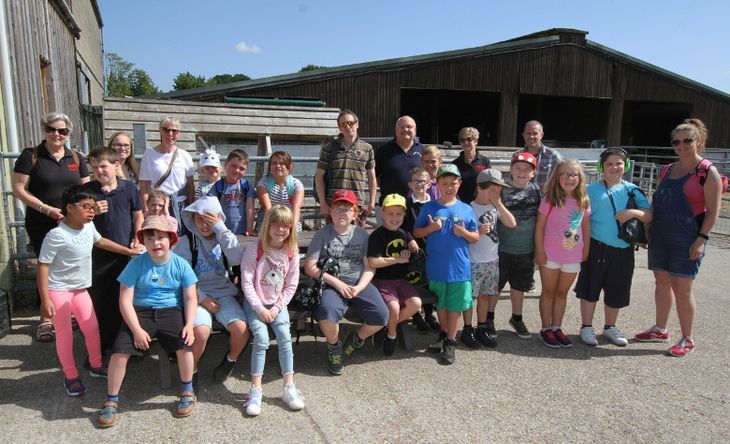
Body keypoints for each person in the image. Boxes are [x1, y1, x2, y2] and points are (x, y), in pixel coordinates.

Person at [38, 185, 141, 396]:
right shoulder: (56, 235)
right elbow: (42, 265)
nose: (91, 211)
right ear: (69, 208)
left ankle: (96, 365)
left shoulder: (88, 227)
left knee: (92, 328)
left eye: (93, 207)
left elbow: (100, 241)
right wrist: (45, 299)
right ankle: (71, 376)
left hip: (80, 290)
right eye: (85, 206)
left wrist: (128, 251)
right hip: (59, 291)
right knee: (65, 335)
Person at [97, 216, 198, 428]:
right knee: (119, 352)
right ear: (143, 242)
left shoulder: (181, 265)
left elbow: (190, 297)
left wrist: (189, 324)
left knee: (185, 346)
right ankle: (111, 400)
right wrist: (136, 330)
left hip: (171, 310)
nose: (155, 243)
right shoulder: (136, 264)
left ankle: (187, 390)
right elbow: (124, 300)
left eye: (161, 238)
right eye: (150, 239)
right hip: (140, 312)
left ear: (171, 240)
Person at [635, 119, 723, 357]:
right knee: (661, 282)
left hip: (687, 237)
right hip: (662, 235)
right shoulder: (667, 170)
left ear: (698, 141)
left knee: (682, 288)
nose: (681, 145)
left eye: (687, 140)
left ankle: (687, 338)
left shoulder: (707, 172)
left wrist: (701, 238)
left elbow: (713, 212)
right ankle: (660, 329)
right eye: (677, 141)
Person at [12, 111, 90, 342]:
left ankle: (68, 310)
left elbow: (86, 191)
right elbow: (18, 188)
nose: (57, 134)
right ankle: (46, 318)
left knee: (71, 265)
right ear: (45, 130)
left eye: (62, 131)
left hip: (73, 223)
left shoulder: (76, 158)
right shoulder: (31, 156)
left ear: (68, 134)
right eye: (52, 129)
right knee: (47, 267)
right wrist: (45, 208)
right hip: (42, 222)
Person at [303, 190, 388, 375]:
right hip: (332, 284)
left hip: (358, 282)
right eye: (337, 209)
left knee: (381, 316)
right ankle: (334, 345)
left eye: (347, 209)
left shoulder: (362, 235)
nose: (342, 213)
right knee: (326, 312)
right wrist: (337, 283)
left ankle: (356, 339)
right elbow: (310, 267)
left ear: (355, 213)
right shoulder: (322, 235)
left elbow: (369, 267)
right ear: (330, 212)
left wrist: (359, 287)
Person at [574, 148, 652, 347]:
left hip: (623, 249)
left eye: (619, 164)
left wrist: (633, 212)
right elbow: (579, 217)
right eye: (609, 164)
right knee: (590, 288)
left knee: (617, 289)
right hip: (596, 247)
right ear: (602, 167)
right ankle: (586, 326)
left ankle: (610, 327)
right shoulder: (590, 190)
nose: (614, 168)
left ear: (625, 166)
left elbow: (649, 215)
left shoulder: (632, 189)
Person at [176, 197, 249, 384]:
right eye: (199, 219)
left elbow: (238, 258)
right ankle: (192, 370)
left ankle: (230, 360)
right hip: (195, 294)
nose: (204, 224)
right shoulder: (186, 242)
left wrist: (221, 229)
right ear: (192, 220)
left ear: (218, 218)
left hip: (223, 291)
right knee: (200, 332)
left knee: (241, 329)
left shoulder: (224, 237)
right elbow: (181, 277)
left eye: (209, 219)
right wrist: (202, 298)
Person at [241, 205, 305, 416]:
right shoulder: (255, 249)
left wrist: (277, 308)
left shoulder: (291, 251)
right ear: (268, 226)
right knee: (260, 339)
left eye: (285, 226)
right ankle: (255, 389)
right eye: (276, 225)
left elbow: (291, 284)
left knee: (285, 337)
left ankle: (289, 386)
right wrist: (260, 309)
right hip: (256, 304)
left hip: (277, 305)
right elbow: (247, 283)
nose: (280, 230)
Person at [413, 165, 478, 365]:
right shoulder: (429, 207)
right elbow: (416, 233)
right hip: (437, 267)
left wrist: (464, 233)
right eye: (445, 183)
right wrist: (431, 228)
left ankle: (451, 341)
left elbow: (475, 237)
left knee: (455, 306)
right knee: (440, 304)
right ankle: (443, 334)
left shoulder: (466, 209)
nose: (449, 187)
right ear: (437, 184)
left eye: (453, 183)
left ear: (459, 184)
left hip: (459, 268)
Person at [86, 146, 144, 359]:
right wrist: (91, 212)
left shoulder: (129, 188)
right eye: (95, 167)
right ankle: (100, 350)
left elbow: (138, 216)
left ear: (117, 165)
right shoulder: (88, 190)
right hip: (99, 257)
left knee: (126, 302)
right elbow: (78, 221)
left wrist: (138, 238)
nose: (99, 171)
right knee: (101, 303)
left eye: (103, 166)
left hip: (126, 256)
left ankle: (127, 347)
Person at [535, 158, 591, 348]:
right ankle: (545, 328)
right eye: (564, 174)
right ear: (557, 176)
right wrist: (539, 251)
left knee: (562, 293)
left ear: (580, 177)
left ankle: (557, 326)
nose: (569, 178)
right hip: (550, 254)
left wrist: (586, 249)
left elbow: (585, 226)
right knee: (548, 292)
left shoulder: (583, 199)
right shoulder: (549, 198)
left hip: (572, 256)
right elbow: (540, 226)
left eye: (573, 174)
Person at [463, 169, 516, 349]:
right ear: (479, 187)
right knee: (469, 297)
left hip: (492, 260)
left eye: (498, 191)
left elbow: (511, 223)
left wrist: (499, 204)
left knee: (485, 296)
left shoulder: (495, 207)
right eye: (491, 190)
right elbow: (461, 235)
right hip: (473, 261)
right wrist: (476, 231)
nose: (495, 194)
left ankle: (481, 327)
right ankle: (467, 328)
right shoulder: (468, 208)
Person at [367, 194, 422, 356]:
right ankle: (392, 335)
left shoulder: (404, 233)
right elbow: (373, 262)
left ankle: (384, 327)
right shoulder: (377, 235)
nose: (394, 217)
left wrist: (412, 241)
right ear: (382, 214)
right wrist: (396, 260)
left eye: (399, 214)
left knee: (416, 303)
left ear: (404, 215)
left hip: (402, 281)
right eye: (390, 213)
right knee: (394, 307)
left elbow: (410, 240)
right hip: (383, 281)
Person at [497, 152, 541, 339]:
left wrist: (539, 248)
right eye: (518, 168)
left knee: (519, 287)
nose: (522, 172)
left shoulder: (536, 190)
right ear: (511, 170)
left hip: (526, 250)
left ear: (533, 173)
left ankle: (516, 318)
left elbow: (540, 220)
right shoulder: (502, 190)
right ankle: (488, 320)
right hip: (502, 249)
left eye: (527, 169)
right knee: (494, 289)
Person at [315, 109, 377, 222]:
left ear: (357, 124)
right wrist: (323, 203)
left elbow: (372, 177)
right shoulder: (328, 148)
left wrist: (372, 202)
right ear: (339, 127)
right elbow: (319, 176)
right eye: (343, 124)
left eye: (350, 123)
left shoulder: (367, 149)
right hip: (334, 205)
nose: (348, 126)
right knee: (332, 239)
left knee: (357, 239)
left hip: (357, 206)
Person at [139, 116, 195, 235]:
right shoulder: (149, 155)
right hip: (158, 206)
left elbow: (190, 186)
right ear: (160, 131)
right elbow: (144, 188)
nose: (170, 134)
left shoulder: (185, 155)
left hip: (181, 205)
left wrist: (191, 210)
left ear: (178, 133)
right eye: (166, 129)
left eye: (174, 131)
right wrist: (147, 211)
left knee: (182, 240)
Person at [403, 167, 439, 332]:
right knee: (415, 280)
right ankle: (416, 315)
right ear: (410, 184)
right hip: (414, 249)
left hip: (432, 248)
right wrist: (410, 239)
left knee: (429, 281)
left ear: (430, 183)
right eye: (416, 181)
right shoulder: (406, 204)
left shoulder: (435, 204)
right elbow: (401, 227)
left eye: (423, 180)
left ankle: (429, 313)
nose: (419, 184)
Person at [375, 116, 424, 209]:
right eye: (402, 127)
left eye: (409, 127)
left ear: (415, 130)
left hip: (417, 206)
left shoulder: (422, 150)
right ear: (396, 129)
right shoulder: (383, 150)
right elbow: (375, 176)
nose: (405, 129)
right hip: (390, 206)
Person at [209, 149, 255, 236]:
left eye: (242, 168)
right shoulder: (217, 186)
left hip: (242, 231)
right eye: (234, 166)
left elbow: (250, 208)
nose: (237, 170)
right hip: (222, 232)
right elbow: (212, 209)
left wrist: (249, 229)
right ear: (226, 165)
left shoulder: (247, 186)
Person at [256, 151, 305, 232]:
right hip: (268, 221)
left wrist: (292, 228)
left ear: (289, 167)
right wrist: (274, 229)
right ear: (270, 167)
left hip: (290, 221)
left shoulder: (297, 184)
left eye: (282, 163)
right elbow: (267, 208)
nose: (278, 166)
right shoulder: (263, 183)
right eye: (274, 163)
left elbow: (296, 208)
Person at [517, 120, 561, 191]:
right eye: (528, 133)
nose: (531, 136)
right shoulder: (517, 156)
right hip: (521, 200)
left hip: (545, 200)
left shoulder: (553, 156)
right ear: (524, 135)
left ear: (541, 135)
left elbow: (561, 180)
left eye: (535, 133)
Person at [452, 127, 491, 203]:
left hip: (481, 204)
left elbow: (489, 184)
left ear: (476, 141)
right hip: (461, 204)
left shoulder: (485, 161)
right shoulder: (455, 164)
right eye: (462, 140)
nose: (465, 142)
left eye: (469, 139)